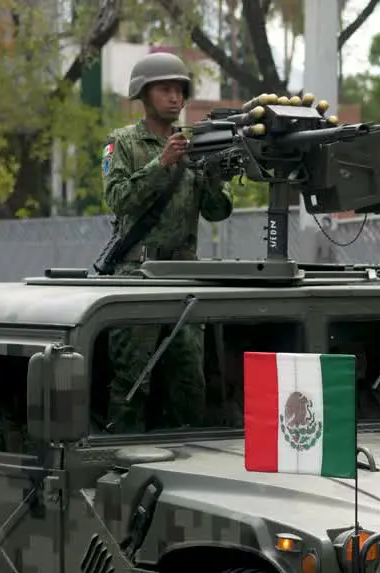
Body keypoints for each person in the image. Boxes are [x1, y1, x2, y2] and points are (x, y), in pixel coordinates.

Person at [100, 52, 234, 433]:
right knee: (131, 381)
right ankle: (119, 459)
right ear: (144, 94)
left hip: (185, 277)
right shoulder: (121, 143)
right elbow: (118, 199)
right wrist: (161, 166)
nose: (175, 98)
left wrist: (212, 174)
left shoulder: (194, 145)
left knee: (189, 383)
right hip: (137, 275)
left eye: (180, 90)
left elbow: (218, 212)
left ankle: (188, 462)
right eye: (165, 89)